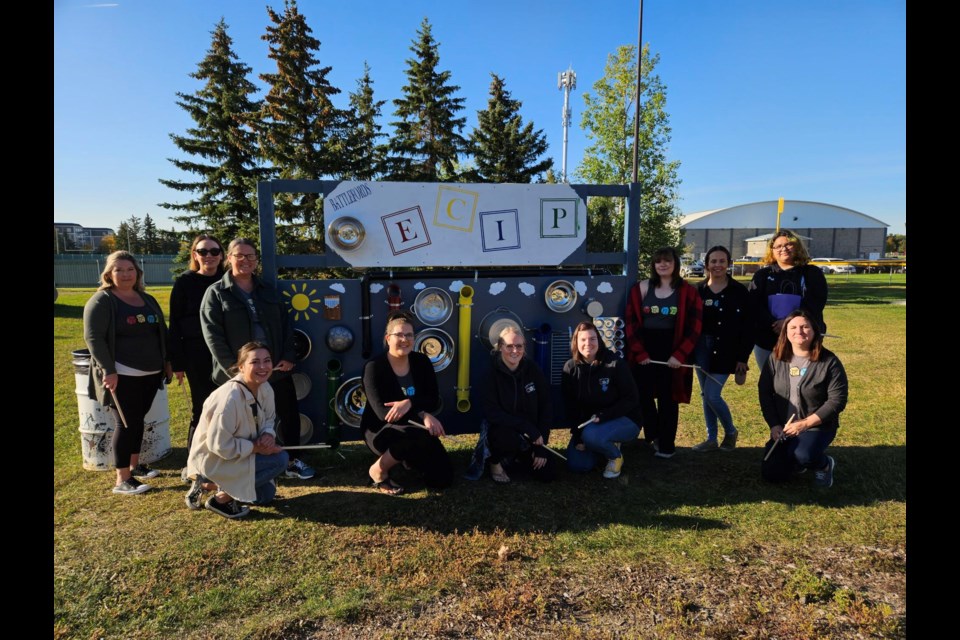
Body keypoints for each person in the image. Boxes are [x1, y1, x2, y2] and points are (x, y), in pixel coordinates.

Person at [200, 238, 315, 481]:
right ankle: (243, 464)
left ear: (257, 261)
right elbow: (213, 336)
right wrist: (236, 370)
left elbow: (286, 326)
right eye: (239, 255)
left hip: (274, 368)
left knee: (288, 412)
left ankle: (293, 461)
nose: (245, 261)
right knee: (241, 421)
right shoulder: (217, 293)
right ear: (228, 258)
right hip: (237, 374)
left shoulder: (268, 290)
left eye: (251, 256)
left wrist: (287, 356)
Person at [83, 251, 172, 495]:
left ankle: (134, 465)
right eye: (119, 270)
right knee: (125, 422)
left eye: (130, 270)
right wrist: (108, 370)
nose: (125, 274)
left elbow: (161, 331)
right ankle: (122, 478)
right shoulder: (102, 300)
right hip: (122, 373)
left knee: (137, 419)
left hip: (151, 372)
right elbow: (94, 338)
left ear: (137, 273)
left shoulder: (147, 298)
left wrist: (167, 361)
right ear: (109, 274)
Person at [184, 342, 290, 519]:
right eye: (255, 362)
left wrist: (267, 435)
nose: (263, 367)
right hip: (216, 459)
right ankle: (220, 499)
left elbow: (269, 419)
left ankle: (207, 484)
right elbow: (219, 445)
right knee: (280, 460)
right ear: (241, 367)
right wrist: (256, 448)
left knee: (265, 496)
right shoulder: (229, 399)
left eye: (267, 360)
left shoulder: (265, 387)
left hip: (242, 453)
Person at [361, 312, 454, 494]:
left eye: (409, 335)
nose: (405, 339)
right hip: (380, 428)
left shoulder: (422, 362)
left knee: (442, 479)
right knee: (413, 435)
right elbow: (383, 414)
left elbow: (433, 399)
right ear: (388, 338)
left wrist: (411, 405)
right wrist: (421, 413)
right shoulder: (373, 368)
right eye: (399, 335)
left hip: (415, 425)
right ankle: (378, 471)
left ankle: (408, 459)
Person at [625, 247, 703, 459]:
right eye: (658, 261)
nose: (663, 265)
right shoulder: (640, 288)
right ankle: (654, 436)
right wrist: (639, 353)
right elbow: (630, 323)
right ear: (653, 265)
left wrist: (680, 355)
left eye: (667, 261)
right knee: (643, 396)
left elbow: (695, 327)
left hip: (673, 350)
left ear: (675, 264)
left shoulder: (688, 291)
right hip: (644, 350)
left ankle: (667, 444)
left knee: (669, 399)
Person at [758, 309, 847, 488]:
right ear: (786, 333)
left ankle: (823, 465)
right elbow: (765, 393)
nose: (799, 332)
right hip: (785, 428)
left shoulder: (829, 361)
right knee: (772, 473)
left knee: (804, 455)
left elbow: (837, 400)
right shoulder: (775, 359)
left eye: (805, 327)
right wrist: (774, 424)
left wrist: (805, 423)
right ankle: (795, 458)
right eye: (793, 327)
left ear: (814, 331)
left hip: (816, 426)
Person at [691, 245, 754, 452]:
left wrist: (742, 358)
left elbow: (748, 327)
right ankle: (711, 438)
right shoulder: (698, 290)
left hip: (727, 349)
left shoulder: (739, 291)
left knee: (712, 395)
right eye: (713, 261)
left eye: (722, 261)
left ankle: (730, 431)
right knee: (705, 395)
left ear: (728, 264)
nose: (717, 265)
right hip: (701, 349)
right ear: (707, 264)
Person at [168, 234, 224, 468]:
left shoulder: (228, 280)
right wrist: (177, 363)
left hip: (225, 354)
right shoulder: (184, 283)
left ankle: (223, 455)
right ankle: (194, 462)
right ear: (194, 255)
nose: (208, 256)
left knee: (227, 406)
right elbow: (175, 323)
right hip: (196, 354)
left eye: (214, 251)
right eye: (203, 251)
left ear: (221, 256)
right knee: (201, 407)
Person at [563, 321, 642, 478]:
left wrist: (605, 415)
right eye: (583, 340)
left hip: (624, 418)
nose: (588, 344)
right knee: (578, 465)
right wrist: (578, 436)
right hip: (592, 425)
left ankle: (615, 455)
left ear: (599, 340)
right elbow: (570, 406)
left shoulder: (615, 363)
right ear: (576, 343)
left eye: (593, 339)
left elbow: (631, 399)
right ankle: (603, 443)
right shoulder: (570, 368)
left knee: (592, 436)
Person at [481, 326, 554, 483]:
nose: (515, 350)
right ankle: (495, 461)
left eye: (519, 346)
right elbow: (491, 412)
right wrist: (526, 427)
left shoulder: (533, 370)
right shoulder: (491, 373)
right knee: (505, 437)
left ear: (524, 348)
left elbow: (545, 406)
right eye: (509, 346)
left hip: (530, 434)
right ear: (500, 347)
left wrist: (540, 446)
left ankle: (519, 459)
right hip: (504, 431)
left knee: (548, 474)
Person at [748, 229, 828, 371]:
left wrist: (788, 323)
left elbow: (815, 303)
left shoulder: (812, 274)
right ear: (771, 250)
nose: (783, 249)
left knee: (800, 381)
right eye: (778, 246)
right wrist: (774, 324)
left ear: (797, 247)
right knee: (770, 381)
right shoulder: (762, 275)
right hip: (767, 338)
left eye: (788, 245)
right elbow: (754, 305)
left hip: (802, 338)